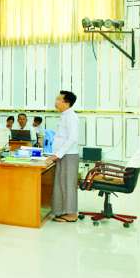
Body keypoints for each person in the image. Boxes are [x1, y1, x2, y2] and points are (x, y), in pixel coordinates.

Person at [50, 90, 80, 223]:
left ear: (66, 103)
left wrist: (57, 154)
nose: (55, 102)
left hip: (69, 156)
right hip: (62, 155)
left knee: (68, 185)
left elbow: (72, 138)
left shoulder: (71, 117)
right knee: (61, 184)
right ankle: (63, 211)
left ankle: (72, 214)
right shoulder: (64, 115)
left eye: (58, 99)